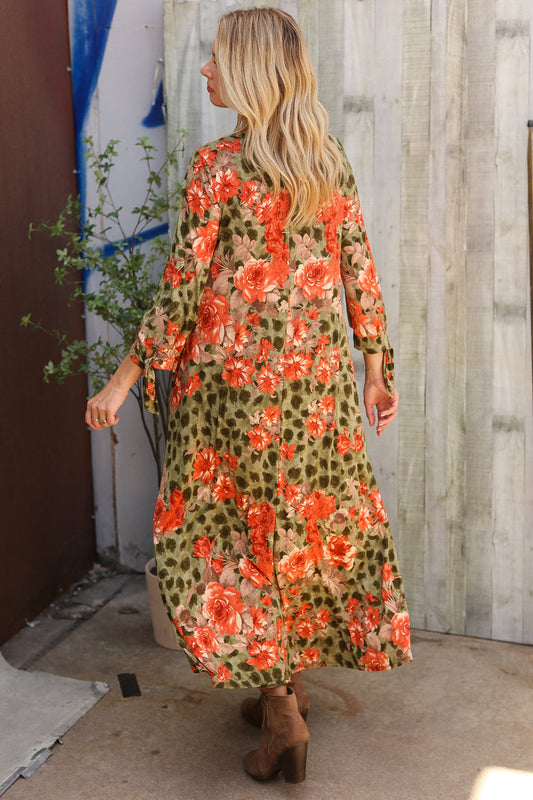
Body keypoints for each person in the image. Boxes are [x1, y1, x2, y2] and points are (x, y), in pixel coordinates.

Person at [86, 7, 412, 784]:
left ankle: (280, 713)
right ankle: (284, 684)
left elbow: (181, 291)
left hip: (233, 397)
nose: (204, 70)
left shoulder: (218, 168)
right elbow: (358, 268)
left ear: (252, 71)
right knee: (297, 528)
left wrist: (122, 380)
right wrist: (375, 368)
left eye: (216, 59)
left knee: (238, 539)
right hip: (318, 394)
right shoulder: (323, 159)